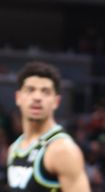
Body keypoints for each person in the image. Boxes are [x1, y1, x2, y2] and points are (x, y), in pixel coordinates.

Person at [6, 62, 89, 191]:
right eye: (30, 90)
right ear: (18, 97)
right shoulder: (14, 148)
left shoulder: (63, 150)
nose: (37, 97)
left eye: (45, 92)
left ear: (56, 102)